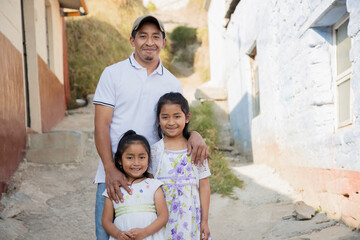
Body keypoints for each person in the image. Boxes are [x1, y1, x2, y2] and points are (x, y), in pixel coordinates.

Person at [93, 15, 208, 239]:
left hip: (155, 177)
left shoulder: (172, 82)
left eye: (156, 36)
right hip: (114, 173)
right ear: (132, 40)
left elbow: (175, 123)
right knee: (107, 234)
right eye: (142, 35)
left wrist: (194, 134)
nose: (149, 42)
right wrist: (110, 169)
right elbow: (101, 125)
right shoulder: (112, 74)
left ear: (163, 42)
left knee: (155, 234)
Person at [149, 92, 212, 240]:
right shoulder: (154, 151)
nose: (171, 122)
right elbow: (150, 187)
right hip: (163, 221)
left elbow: (204, 185)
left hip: (191, 220)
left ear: (187, 117)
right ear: (158, 119)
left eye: (177, 116)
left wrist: (204, 221)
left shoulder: (195, 149)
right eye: (165, 117)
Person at [102, 130, 168, 240]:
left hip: (149, 236)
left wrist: (145, 232)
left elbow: (163, 216)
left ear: (148, 158)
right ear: (119, 160)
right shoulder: (115, 188)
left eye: (142, 157)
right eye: (130, 157)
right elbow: (106, 221)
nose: (136, 163)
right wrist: (118, 234)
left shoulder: (154, 186)